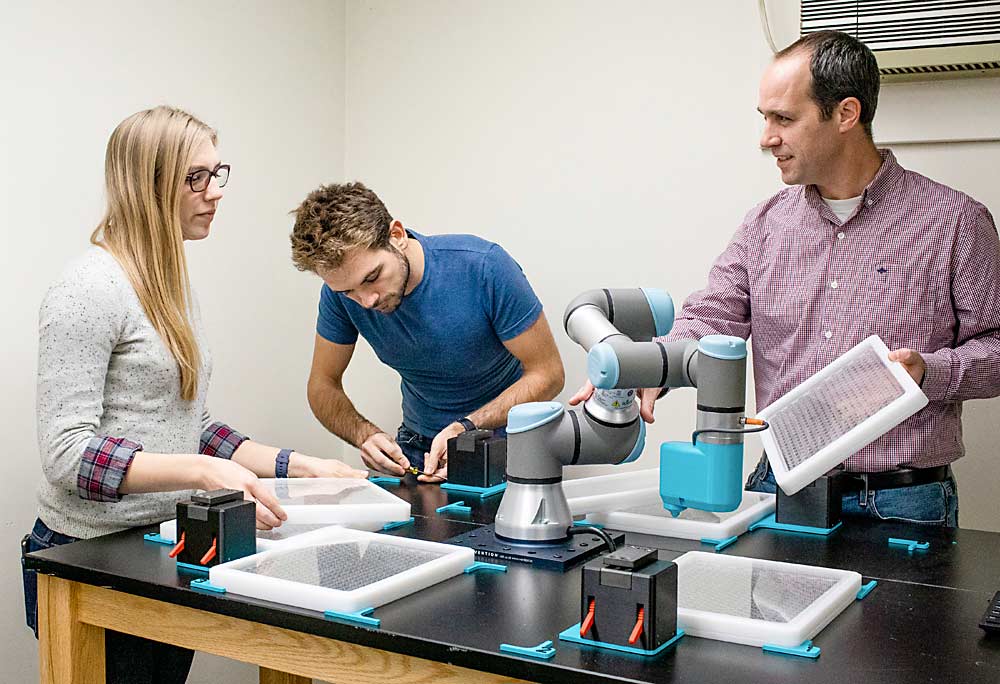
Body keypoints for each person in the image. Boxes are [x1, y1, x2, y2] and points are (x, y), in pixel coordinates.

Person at [573, 30, 1000, 527]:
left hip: (901, 504)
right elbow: (711, 316)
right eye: (765, 119)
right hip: (779, 492)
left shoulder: (955, 222)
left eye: (784, 119)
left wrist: (927, 372)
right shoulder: (764, 226)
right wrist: (650, 368)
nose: (766, 138)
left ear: (845, 114)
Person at [22, 106, 366, 684]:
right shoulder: (87, 288)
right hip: (89, 556)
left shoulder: (170, 282)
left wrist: (295, 466)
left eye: (217, 173)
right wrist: (205, 473)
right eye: (194, 178)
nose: (214, 192)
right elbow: (67, 455)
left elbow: (188, 423)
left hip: (165, 545)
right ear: (146, 182)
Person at [290, 182, 565, 481]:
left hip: (504, 441)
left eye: (373, 277)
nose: (366, 301)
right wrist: (364, 435)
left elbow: (548, 374)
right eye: (348, 291)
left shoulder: (484, 266)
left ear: (396, 236)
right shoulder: (338, 296)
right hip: (417, 446)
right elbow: (322, 385)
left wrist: (467, 427)